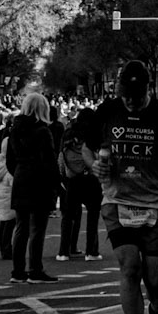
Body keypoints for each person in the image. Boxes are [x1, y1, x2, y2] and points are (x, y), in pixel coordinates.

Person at [84, 62, 158, 314]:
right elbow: (86, 149)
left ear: (148, 90)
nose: (129, 101)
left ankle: (157, 310)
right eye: (125, 95)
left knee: (155, 282)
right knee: (129, 268)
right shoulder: (108, 110)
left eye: (136, 97)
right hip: (118, 200)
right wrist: (93, 165)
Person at [5, 92, 60, 283]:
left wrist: (19, 172)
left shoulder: (15, 129)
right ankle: (35, 269)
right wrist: (56, 183)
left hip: (21, 177)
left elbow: (10, 159)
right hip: (40, 180)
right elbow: (50, 160)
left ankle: (17, 271)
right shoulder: (43, 131)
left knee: (21, 227)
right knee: (38, 227)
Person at [57, 110, 102, 262]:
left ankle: (64, 251)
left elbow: (61, 156)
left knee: (68, 217)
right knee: (93, 215)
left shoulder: (68, 135)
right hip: (91, 179)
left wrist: (64, 176)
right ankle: (91, 251)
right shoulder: (94, 134)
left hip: (72, 179)